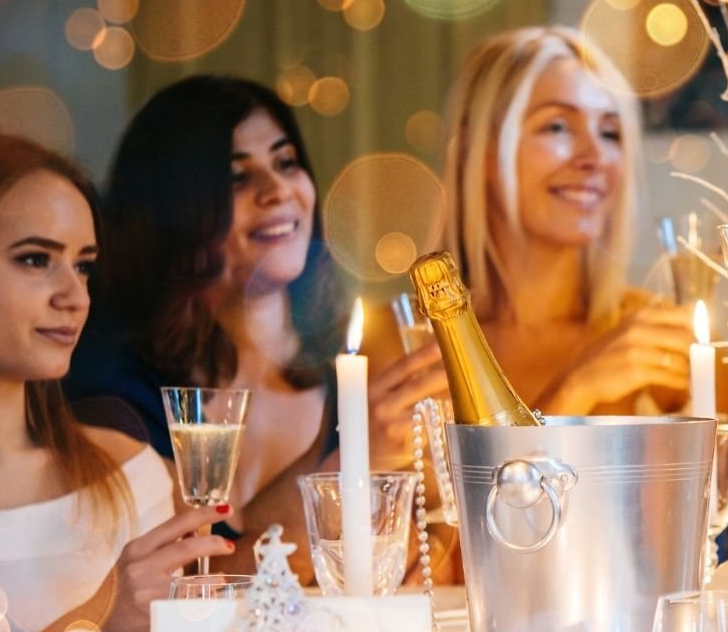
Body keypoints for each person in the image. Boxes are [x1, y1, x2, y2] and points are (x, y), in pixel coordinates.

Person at [65, 76, 447, 580]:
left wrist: (435, 539)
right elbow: (196, 589)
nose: (278, 191)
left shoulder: (354, 376)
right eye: (236, 178)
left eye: (286, 163)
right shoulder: (115, 392)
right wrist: (348, 456)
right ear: (171, 208)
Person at [0, 127, 228, 632]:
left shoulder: (134, 476)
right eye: (34, 260)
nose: (74, 296)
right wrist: (95, 620)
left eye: (82, 265)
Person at [438, 26, 691, 417]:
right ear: (479, 152)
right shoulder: (408, 344)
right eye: (557, 126)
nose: (594, 156)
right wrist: (576, 389)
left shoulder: (659, 340)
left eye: (610, 133)